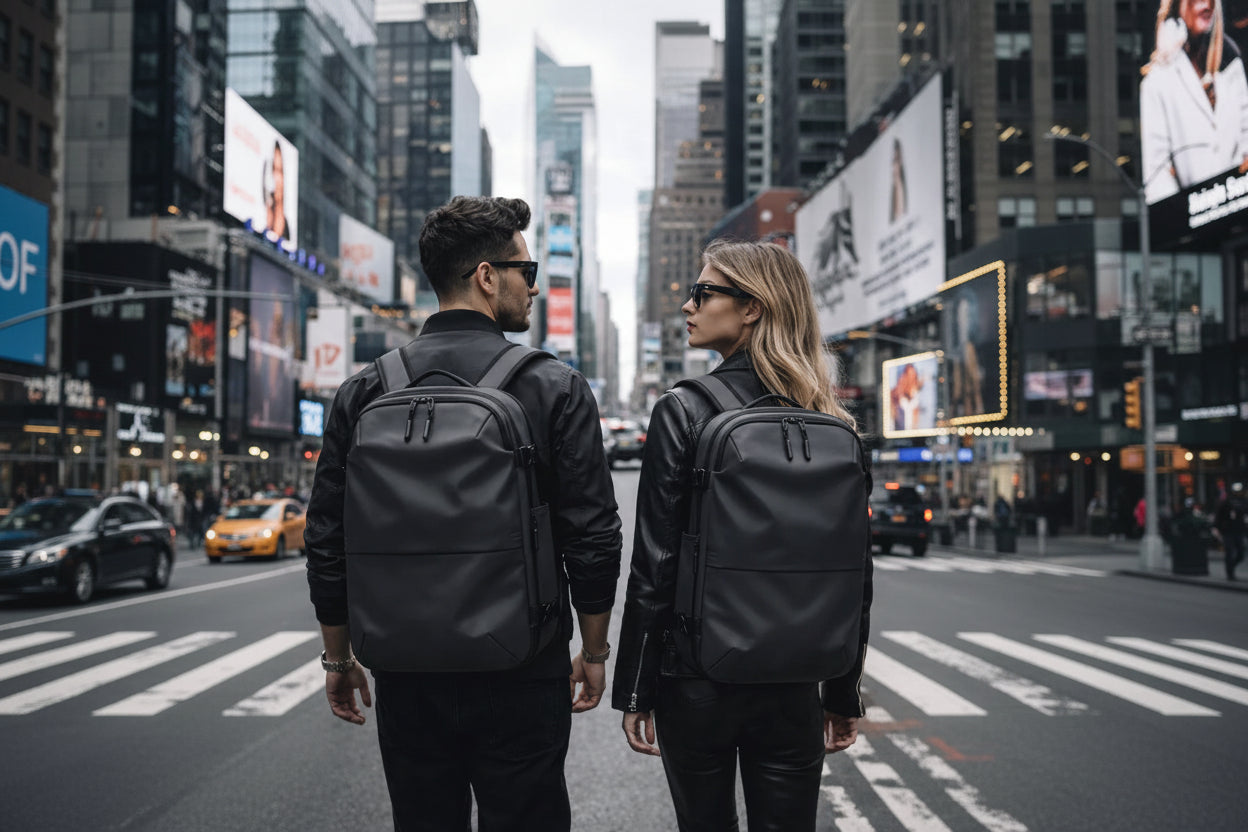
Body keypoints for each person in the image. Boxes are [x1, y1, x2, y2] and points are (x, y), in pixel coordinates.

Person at [304, 195, 622, 832]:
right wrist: (592, 648)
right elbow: (592, 534)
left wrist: (339, 660)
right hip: (521, 666)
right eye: (526, 273)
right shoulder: (554, 386)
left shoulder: (365, 389)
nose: (534, 289)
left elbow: (326, 541)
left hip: (406, 668)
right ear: (486, 276)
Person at [613, 239, 871, 831]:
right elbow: (854, 572)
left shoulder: (684, 409)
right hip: (796, 681)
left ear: (752, 307)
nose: (688, 305)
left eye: (704, 292)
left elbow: (656, 563)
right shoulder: (832, 420)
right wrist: (842, 691)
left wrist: (635, 689)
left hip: (698, 676)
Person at [1141, 0, 1248, 202]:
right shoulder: (1157, 83)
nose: (1206, 5)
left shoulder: (1231, 65)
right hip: (1192, 222)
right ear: (1176, 7)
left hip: (1239, 213)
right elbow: (1157, 175)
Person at [1213, 481, 1247, 580]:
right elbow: (1219, 516)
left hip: (1239, 531)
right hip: (1228, 531)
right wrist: (1217, 528)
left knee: (1240, 553)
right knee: (1229, 551)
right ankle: (1230, 572)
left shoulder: (1244, 502)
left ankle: (1231, 567)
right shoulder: (1226, 502)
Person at [264, 141, 291, 242]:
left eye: (279, 170)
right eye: (273, 169)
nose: (276, 177)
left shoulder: (287, 230)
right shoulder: (263, 213)